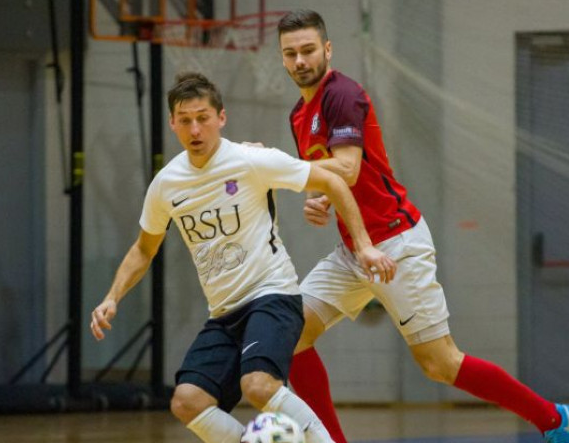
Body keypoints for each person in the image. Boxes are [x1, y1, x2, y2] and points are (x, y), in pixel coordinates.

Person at [275, 9, 569, 443]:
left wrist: (274, 168)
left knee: (440, 364)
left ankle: (554, 418)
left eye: (308, 50)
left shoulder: (342, 94)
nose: (300, 60)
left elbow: (344, 165)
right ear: (282, 59)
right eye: (291, 54)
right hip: (355, 249)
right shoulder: (297, 115)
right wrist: (320, 200)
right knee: (290, 333)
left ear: (327, 49)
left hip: (396, 244)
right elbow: (333, 176)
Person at [89, 72, 396, 443]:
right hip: (223, 313)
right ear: (173, 124)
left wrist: (362, 245)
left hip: (272, 297)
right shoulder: (166, 184)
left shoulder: (252, 160)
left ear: (222, 117)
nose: (195, 129)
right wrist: (111, 297)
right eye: (185, 120)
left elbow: (333, 180)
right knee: (187, 402)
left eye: (203, 117)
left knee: (259, 385)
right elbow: (143, 248)